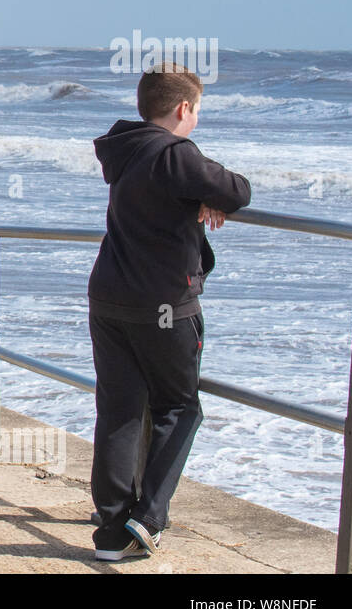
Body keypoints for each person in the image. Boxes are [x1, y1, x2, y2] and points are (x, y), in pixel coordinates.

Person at [87, 62, 251, 561]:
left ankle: (112, 534)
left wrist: (197, 197)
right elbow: (238, 190)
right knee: (180, 407)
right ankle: (149, 516)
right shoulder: (174, 152)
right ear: (184, 108)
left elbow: (178, 193)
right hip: (163, 305)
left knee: (118, 410)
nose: (196, 118)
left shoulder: (125, 148)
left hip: (110, 296)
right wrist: (207, 194)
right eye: (197, 109)